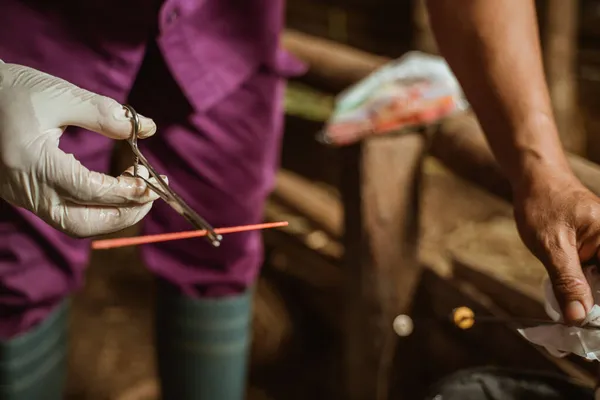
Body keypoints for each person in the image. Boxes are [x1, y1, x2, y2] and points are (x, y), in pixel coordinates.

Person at [0, 0, 596, 398]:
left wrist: (540, 167)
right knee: (17, 266)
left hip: (220, 29)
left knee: (224, 249)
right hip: (36, 26)